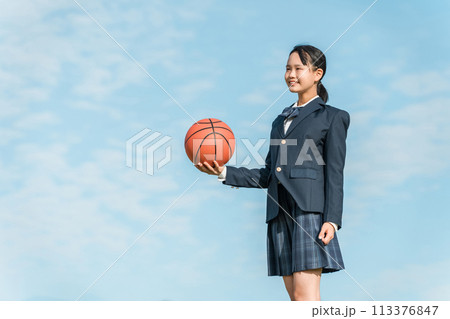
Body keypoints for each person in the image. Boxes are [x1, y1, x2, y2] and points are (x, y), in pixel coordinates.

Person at [195, 44, 350, 301]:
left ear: (317, 74)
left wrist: (332, 220)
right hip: (279, 213)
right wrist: (223, 172)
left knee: (306, 300)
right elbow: (269, 174)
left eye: (299, 68)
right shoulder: (279, 121)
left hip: (308, 213)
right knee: (295, 301)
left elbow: (335, 172)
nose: (291, 74)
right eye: (288, 69)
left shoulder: (332, 117)